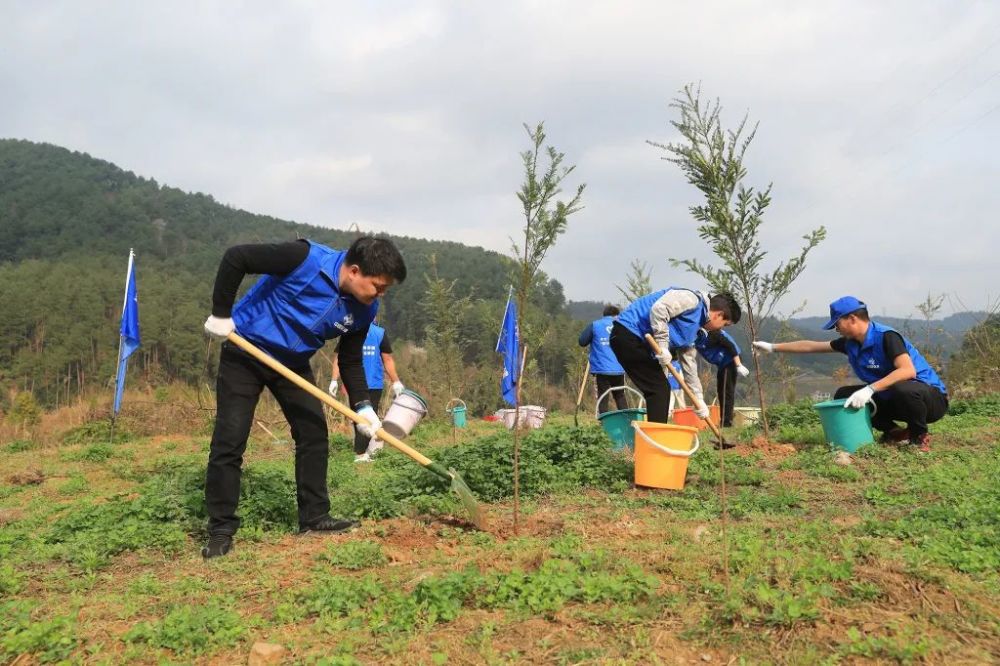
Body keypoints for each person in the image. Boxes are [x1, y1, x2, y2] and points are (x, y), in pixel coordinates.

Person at [201, 236, 406, 559]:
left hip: (292, 364)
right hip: (245, 349)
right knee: (230, 439)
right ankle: (221, 528)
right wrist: (221, 313)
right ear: (354, 271)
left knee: (313, 434)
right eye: (378, 286)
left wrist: (363, 405)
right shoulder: (303, 258)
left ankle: (314, 516)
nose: (380, 295)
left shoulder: (366, 309)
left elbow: (350, 360)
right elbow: (236, 257)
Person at [753, 296, 948, 452]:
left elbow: (907, 371)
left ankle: (919, 437)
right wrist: (772, 347)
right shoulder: (850, 343)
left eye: (837, 324)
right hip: (894, 398)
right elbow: (811, 346)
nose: (836, 329)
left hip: (930, 400)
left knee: (902, 388)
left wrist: (870, 389)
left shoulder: (887, 337)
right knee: (844, 395)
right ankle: (896, 433)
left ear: (852, 318)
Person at [610, 288, 741, 423]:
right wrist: (662, 345)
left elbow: (688, 362)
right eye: (724, 324)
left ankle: (655, 436)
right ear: (718, 315)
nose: (721, 329)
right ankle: (656, 439)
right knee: (659, 390)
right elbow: (659, 309)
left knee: (659, 389)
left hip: (636, 341)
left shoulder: (695, 329)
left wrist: (698, 398)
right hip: (628, 332)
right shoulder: (691, 299)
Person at [329, 320, 404, 462]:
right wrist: (396, 381)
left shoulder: (352, 330)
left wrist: (334, 379)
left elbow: (339, 358)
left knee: (360, 419)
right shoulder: (377, 332)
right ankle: (361, 453)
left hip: (355, 385)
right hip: (371, 384)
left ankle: (364, 452)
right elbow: (387, 360)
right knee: (368, 418)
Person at [695, 329, 751, 427]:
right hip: (722, 364)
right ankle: (724, 421)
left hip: (731, 360)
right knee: (721, 392)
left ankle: (727, 422)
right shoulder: (695, 337)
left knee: (726, 391)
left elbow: (731, 346)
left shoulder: (713, 333)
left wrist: (738, 365)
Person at [578, 305, 628, 414]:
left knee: (603, 396)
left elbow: (582, 341)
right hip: (619, 368)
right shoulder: (623, 325)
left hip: (602, 368)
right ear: (617, 315)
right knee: (620, 395)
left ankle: (604, 424)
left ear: (604, 315)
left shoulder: (595, 325)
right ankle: (628, 421)